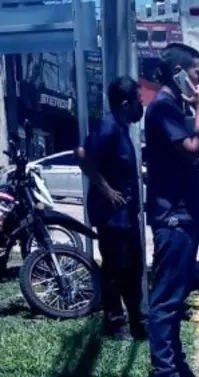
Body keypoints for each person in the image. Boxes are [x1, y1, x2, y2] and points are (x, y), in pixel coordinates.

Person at [144, 42, 199, 377]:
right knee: (166, 299)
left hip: (185, 216)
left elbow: (192, 146)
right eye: (197, 73)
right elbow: (191, 148)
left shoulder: (173, 107)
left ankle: (177, 368)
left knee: (177, 295)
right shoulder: (163, 108)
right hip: (173, 218)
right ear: (180, 73)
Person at [77, 76, 146, 341]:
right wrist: (107, 190)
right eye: (138, 101)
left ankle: (136, 319)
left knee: (133, 267)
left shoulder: (121, 127)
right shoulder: (107, 127)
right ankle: (115, 323)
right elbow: (82, 154)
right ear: (125, 103)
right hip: (112, 217)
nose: (141, 106)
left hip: (126, 216)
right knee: (115, 270)